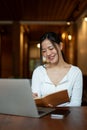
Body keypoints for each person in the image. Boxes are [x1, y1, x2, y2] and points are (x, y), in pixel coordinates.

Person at [31, 32, 83, 107]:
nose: (48, 53)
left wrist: (56, 110)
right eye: (44, 51)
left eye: (51, 48)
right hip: (44, 117)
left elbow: (76, 104)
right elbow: (36, 100)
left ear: (60, 46)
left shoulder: (75, 72)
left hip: (67, 117)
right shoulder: (38, 72)